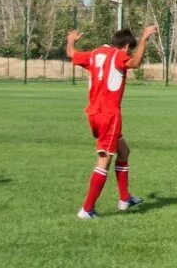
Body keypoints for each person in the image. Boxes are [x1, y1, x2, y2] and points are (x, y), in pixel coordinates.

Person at [66, 23, 158, 219]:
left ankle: (125, 198)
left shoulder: (94, 54)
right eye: (130, 48)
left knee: (123, 150)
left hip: (94, 113)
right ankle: (87, 209)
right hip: (109, 115)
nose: (129, 51)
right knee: (104, 159)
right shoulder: (118, 55)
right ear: (125, 46)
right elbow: (134, 63)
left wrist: (70, 40)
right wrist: (144, 39)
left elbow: (71, 54)